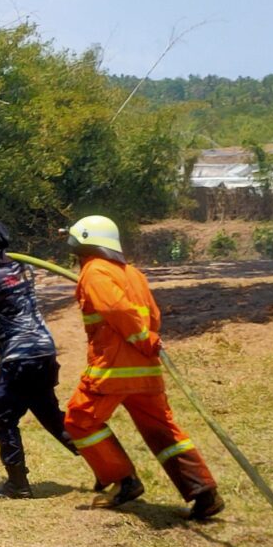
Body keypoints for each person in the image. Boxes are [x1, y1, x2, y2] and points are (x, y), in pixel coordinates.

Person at [61, 215, 224, 519]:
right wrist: (146, 340)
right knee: (161, 428)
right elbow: (154, 315)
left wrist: (140, 338)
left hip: (114, 369)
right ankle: (203, 492)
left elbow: (118, 310)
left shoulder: (94, 271)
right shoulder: (132, 273)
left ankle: (123, 481)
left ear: (83, 242)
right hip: (145, 369)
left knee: (79, 419)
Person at [0, 220, 79, 499]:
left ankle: (18, 484)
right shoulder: (25, 269)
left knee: (0, 416)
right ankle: (111, 470)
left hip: (19, 357)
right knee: (52, 417)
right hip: (43, 351)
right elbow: (7, 280)